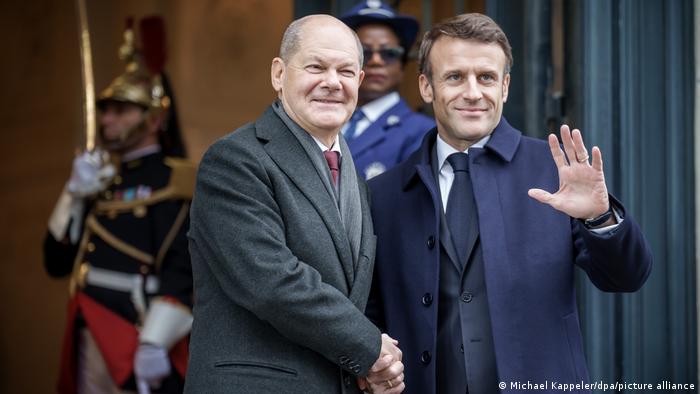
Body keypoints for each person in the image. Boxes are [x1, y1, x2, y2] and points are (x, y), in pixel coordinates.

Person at [367, 13, 653, 394]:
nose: (472, 92)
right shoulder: (383, 194)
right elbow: (371, 314)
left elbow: (628, 277)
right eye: (454, 77)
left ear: (504, 87)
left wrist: (599, 216)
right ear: (426, 86)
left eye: (486, 77)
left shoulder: (554, 170)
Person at [185, 15, 404, 394]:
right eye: (316, 67)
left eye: (346, 71)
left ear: (359, 82)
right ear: (278, 74)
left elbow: (354, 294)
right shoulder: (235, 160)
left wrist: (370, 367)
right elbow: (271, 281)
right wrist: (370, 349)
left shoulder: (353, 173)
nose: (332, 83)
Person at [44, 16, 194, 394]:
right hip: (89, 325)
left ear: (154, 118)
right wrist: (74, 193)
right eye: (106, 110)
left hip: (139, 326)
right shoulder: (99, 182)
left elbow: (187, 267)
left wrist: (155, 339)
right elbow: (56, 261)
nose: (108, 120)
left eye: (121, 110)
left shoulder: (176, 180)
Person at [339, 0, 434, 179]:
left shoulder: (422, 132)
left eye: (389, 53)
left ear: (402, 65)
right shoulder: (324, 118)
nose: (376, 61)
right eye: (364, 53)